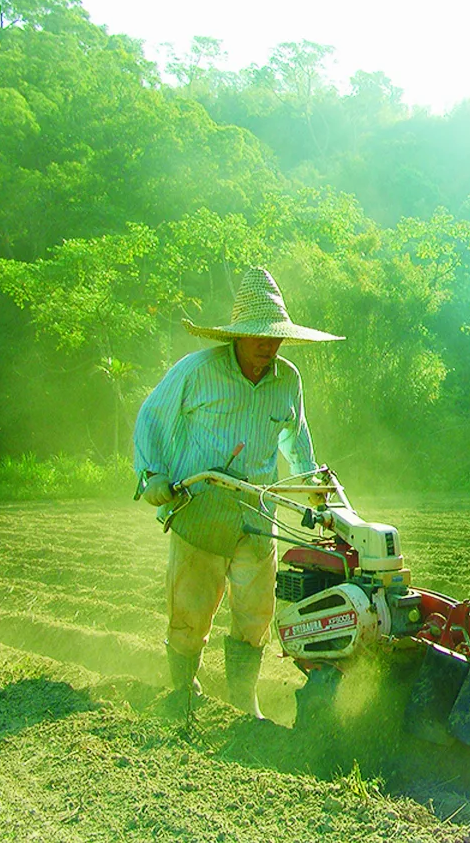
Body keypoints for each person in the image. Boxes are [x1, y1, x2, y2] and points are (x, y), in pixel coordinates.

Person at [133, 267, 342, 717]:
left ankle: (244, 703)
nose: (268, 346)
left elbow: (296, 440)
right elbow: (152, 416)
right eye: (259, 337)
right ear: (238, 336)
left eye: (275, 338)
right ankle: (184, 691)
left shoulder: (287, 380)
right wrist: (152, 475)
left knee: (254, 615)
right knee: (190, 614)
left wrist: (316, 490)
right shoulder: (198, 372)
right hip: (201, 511)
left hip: (256, 516)